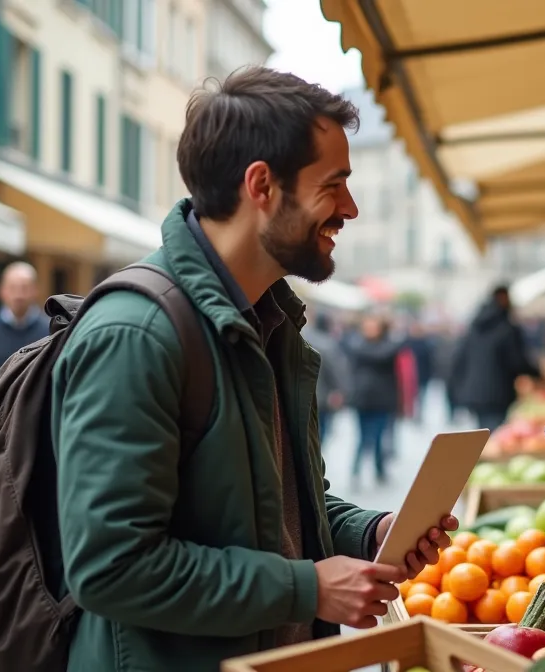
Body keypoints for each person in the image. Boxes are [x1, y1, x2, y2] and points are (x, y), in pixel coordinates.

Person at [51, 66, 455, 670]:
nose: (350, 208)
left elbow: (284, 510)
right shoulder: (136, 335)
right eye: (334, 183)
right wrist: (309, 589)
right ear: (262, 185)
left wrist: (371, 533)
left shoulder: (268, 323)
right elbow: (112, 567)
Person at [448, 286, 541, 430]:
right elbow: (516, 361)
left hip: (475, 393)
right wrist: (538, 373)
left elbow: (460, 358)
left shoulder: (475, 325)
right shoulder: (506, 328)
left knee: (483, 432)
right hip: (498, 394)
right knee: (495, 432)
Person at [0, 262, 47, 400]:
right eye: (13, 288)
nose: (19, 295)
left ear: (36, 290)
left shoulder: (49, 330)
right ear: (2, 291)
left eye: (25, 288)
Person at [345, 315, 403, 484]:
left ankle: (378, 468)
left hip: (382, 401)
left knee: (377, 437)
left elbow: (382, 355)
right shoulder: (358, 345)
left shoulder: (388, 347)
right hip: (362, 400)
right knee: (362, 437)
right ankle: (357, 470)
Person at [302, 312, 350, 445]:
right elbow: (338, 371)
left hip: (302, 392)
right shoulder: (329, 345)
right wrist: (341, 391)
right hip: (321, 397)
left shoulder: (303, 337)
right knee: (318, 433)